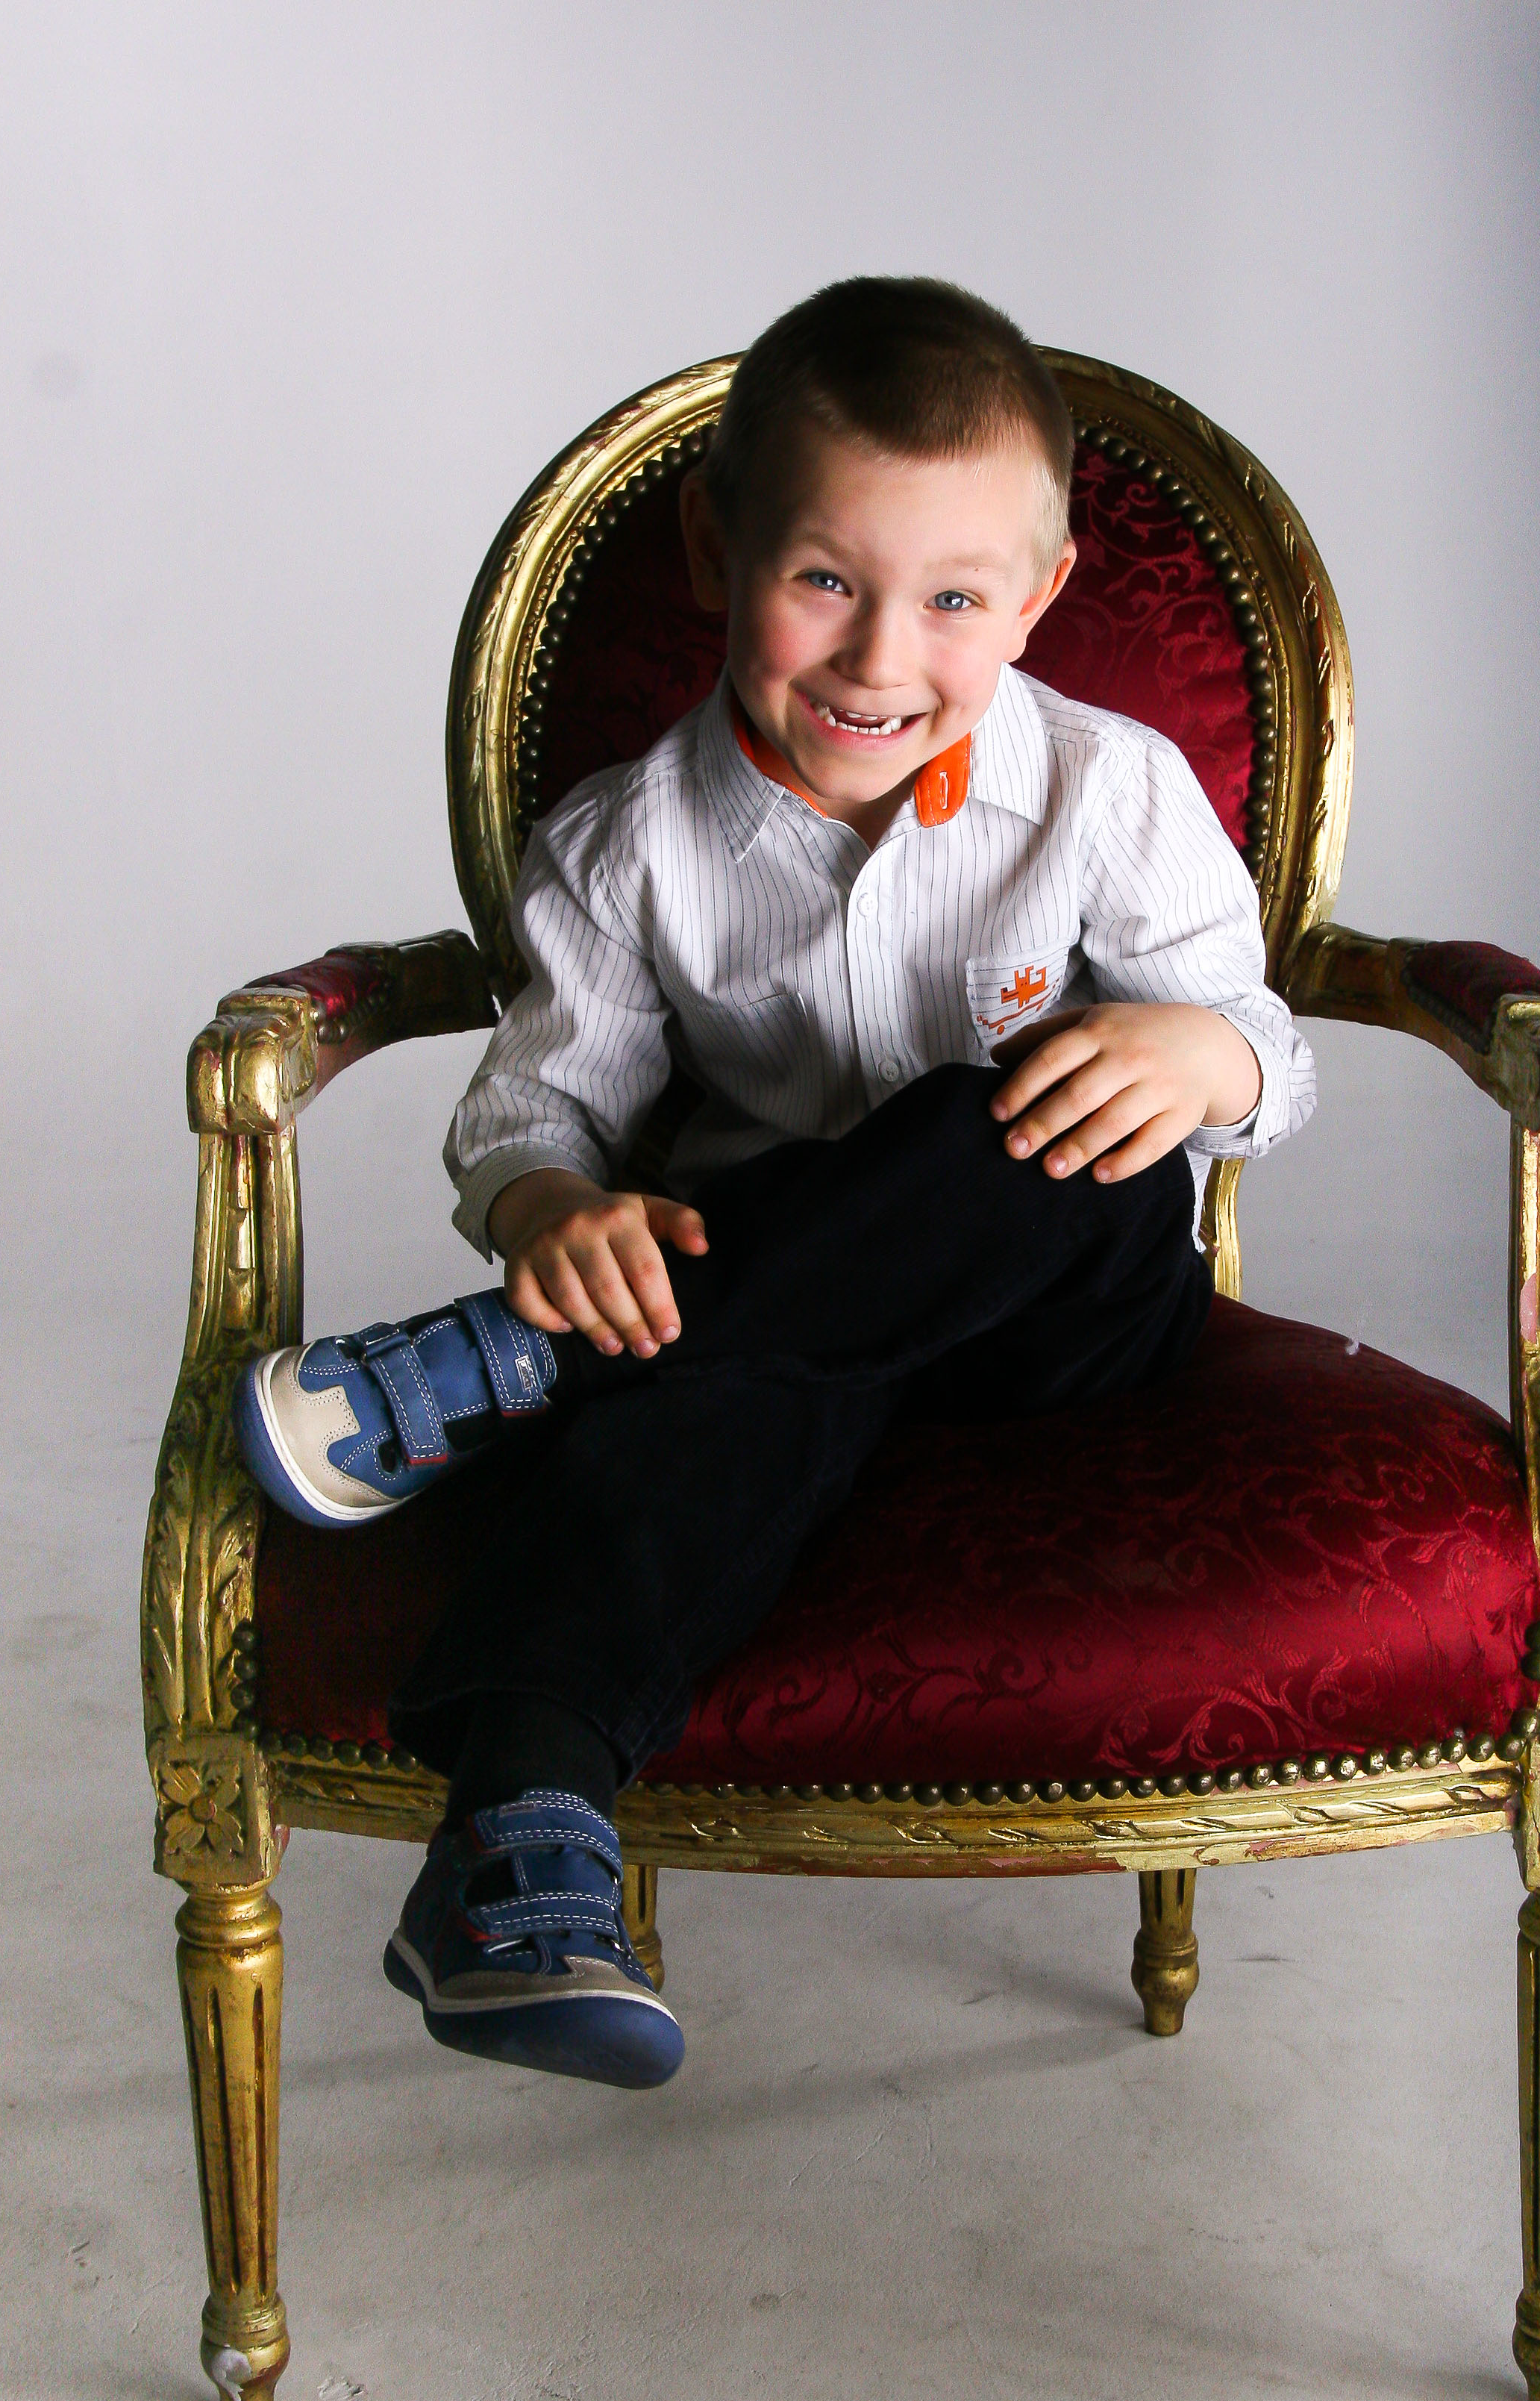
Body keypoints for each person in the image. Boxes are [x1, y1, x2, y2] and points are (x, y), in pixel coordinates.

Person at [234, 276, 1315, 2093]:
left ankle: (519, 1365)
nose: (880, 659)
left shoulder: (1110, 793)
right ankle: (515, 1843)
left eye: (954, 600)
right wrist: (550, 1216)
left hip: (1058, 1315)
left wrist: (1212, 1058)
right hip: (770, 1329)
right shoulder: (630, 841)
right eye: (824, 580)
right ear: (713, 547)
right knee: (701, 1398)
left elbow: (1266, 1051)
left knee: (1027, 1120)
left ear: (1039, 595)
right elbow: (537, 1107)